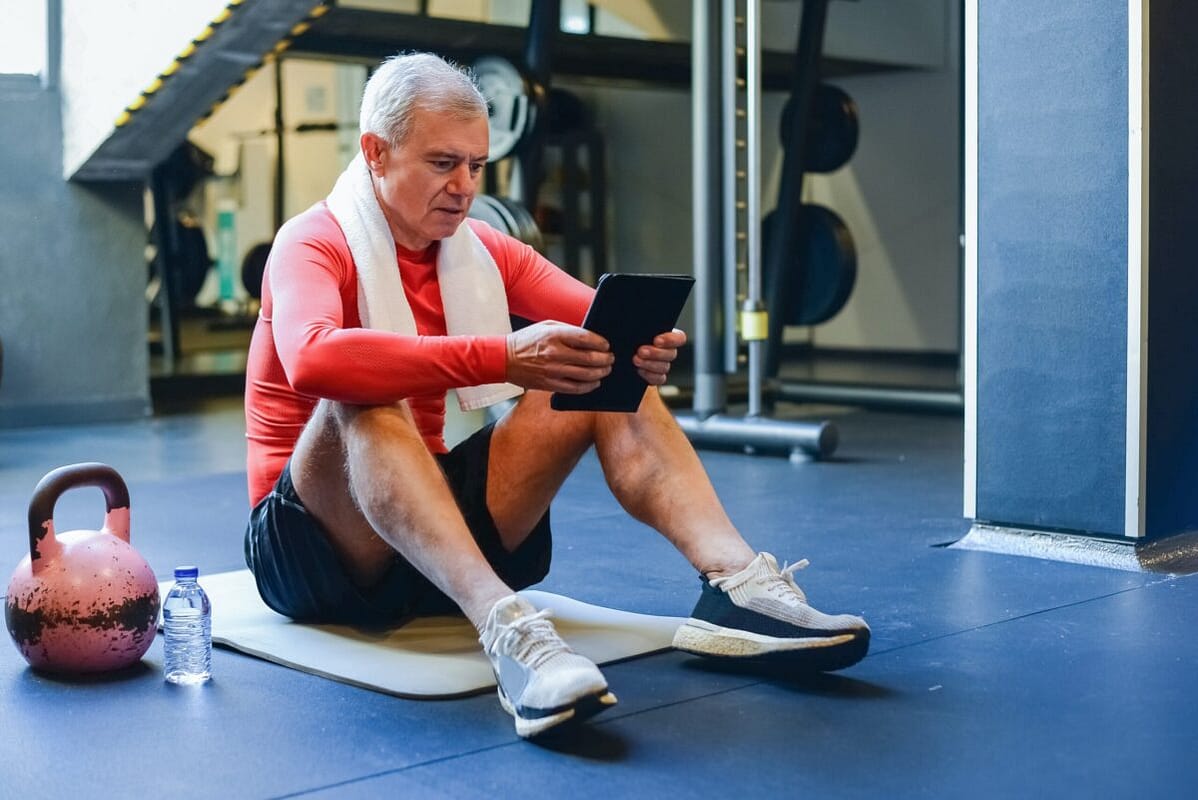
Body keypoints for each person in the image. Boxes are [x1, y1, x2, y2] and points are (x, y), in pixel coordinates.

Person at [243, 52, 869, 738]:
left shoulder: (480, 248)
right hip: (315, 553)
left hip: (435, 535)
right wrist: (504, 355)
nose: (463, 186)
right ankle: (507, 630)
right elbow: (312, 360)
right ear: (377, 153)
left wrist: (641, 347)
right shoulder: (311, 243)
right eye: (443, 163)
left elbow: (600, 322)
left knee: (597, 363)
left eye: (476, 167)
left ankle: (737, 587)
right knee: (364, 387)